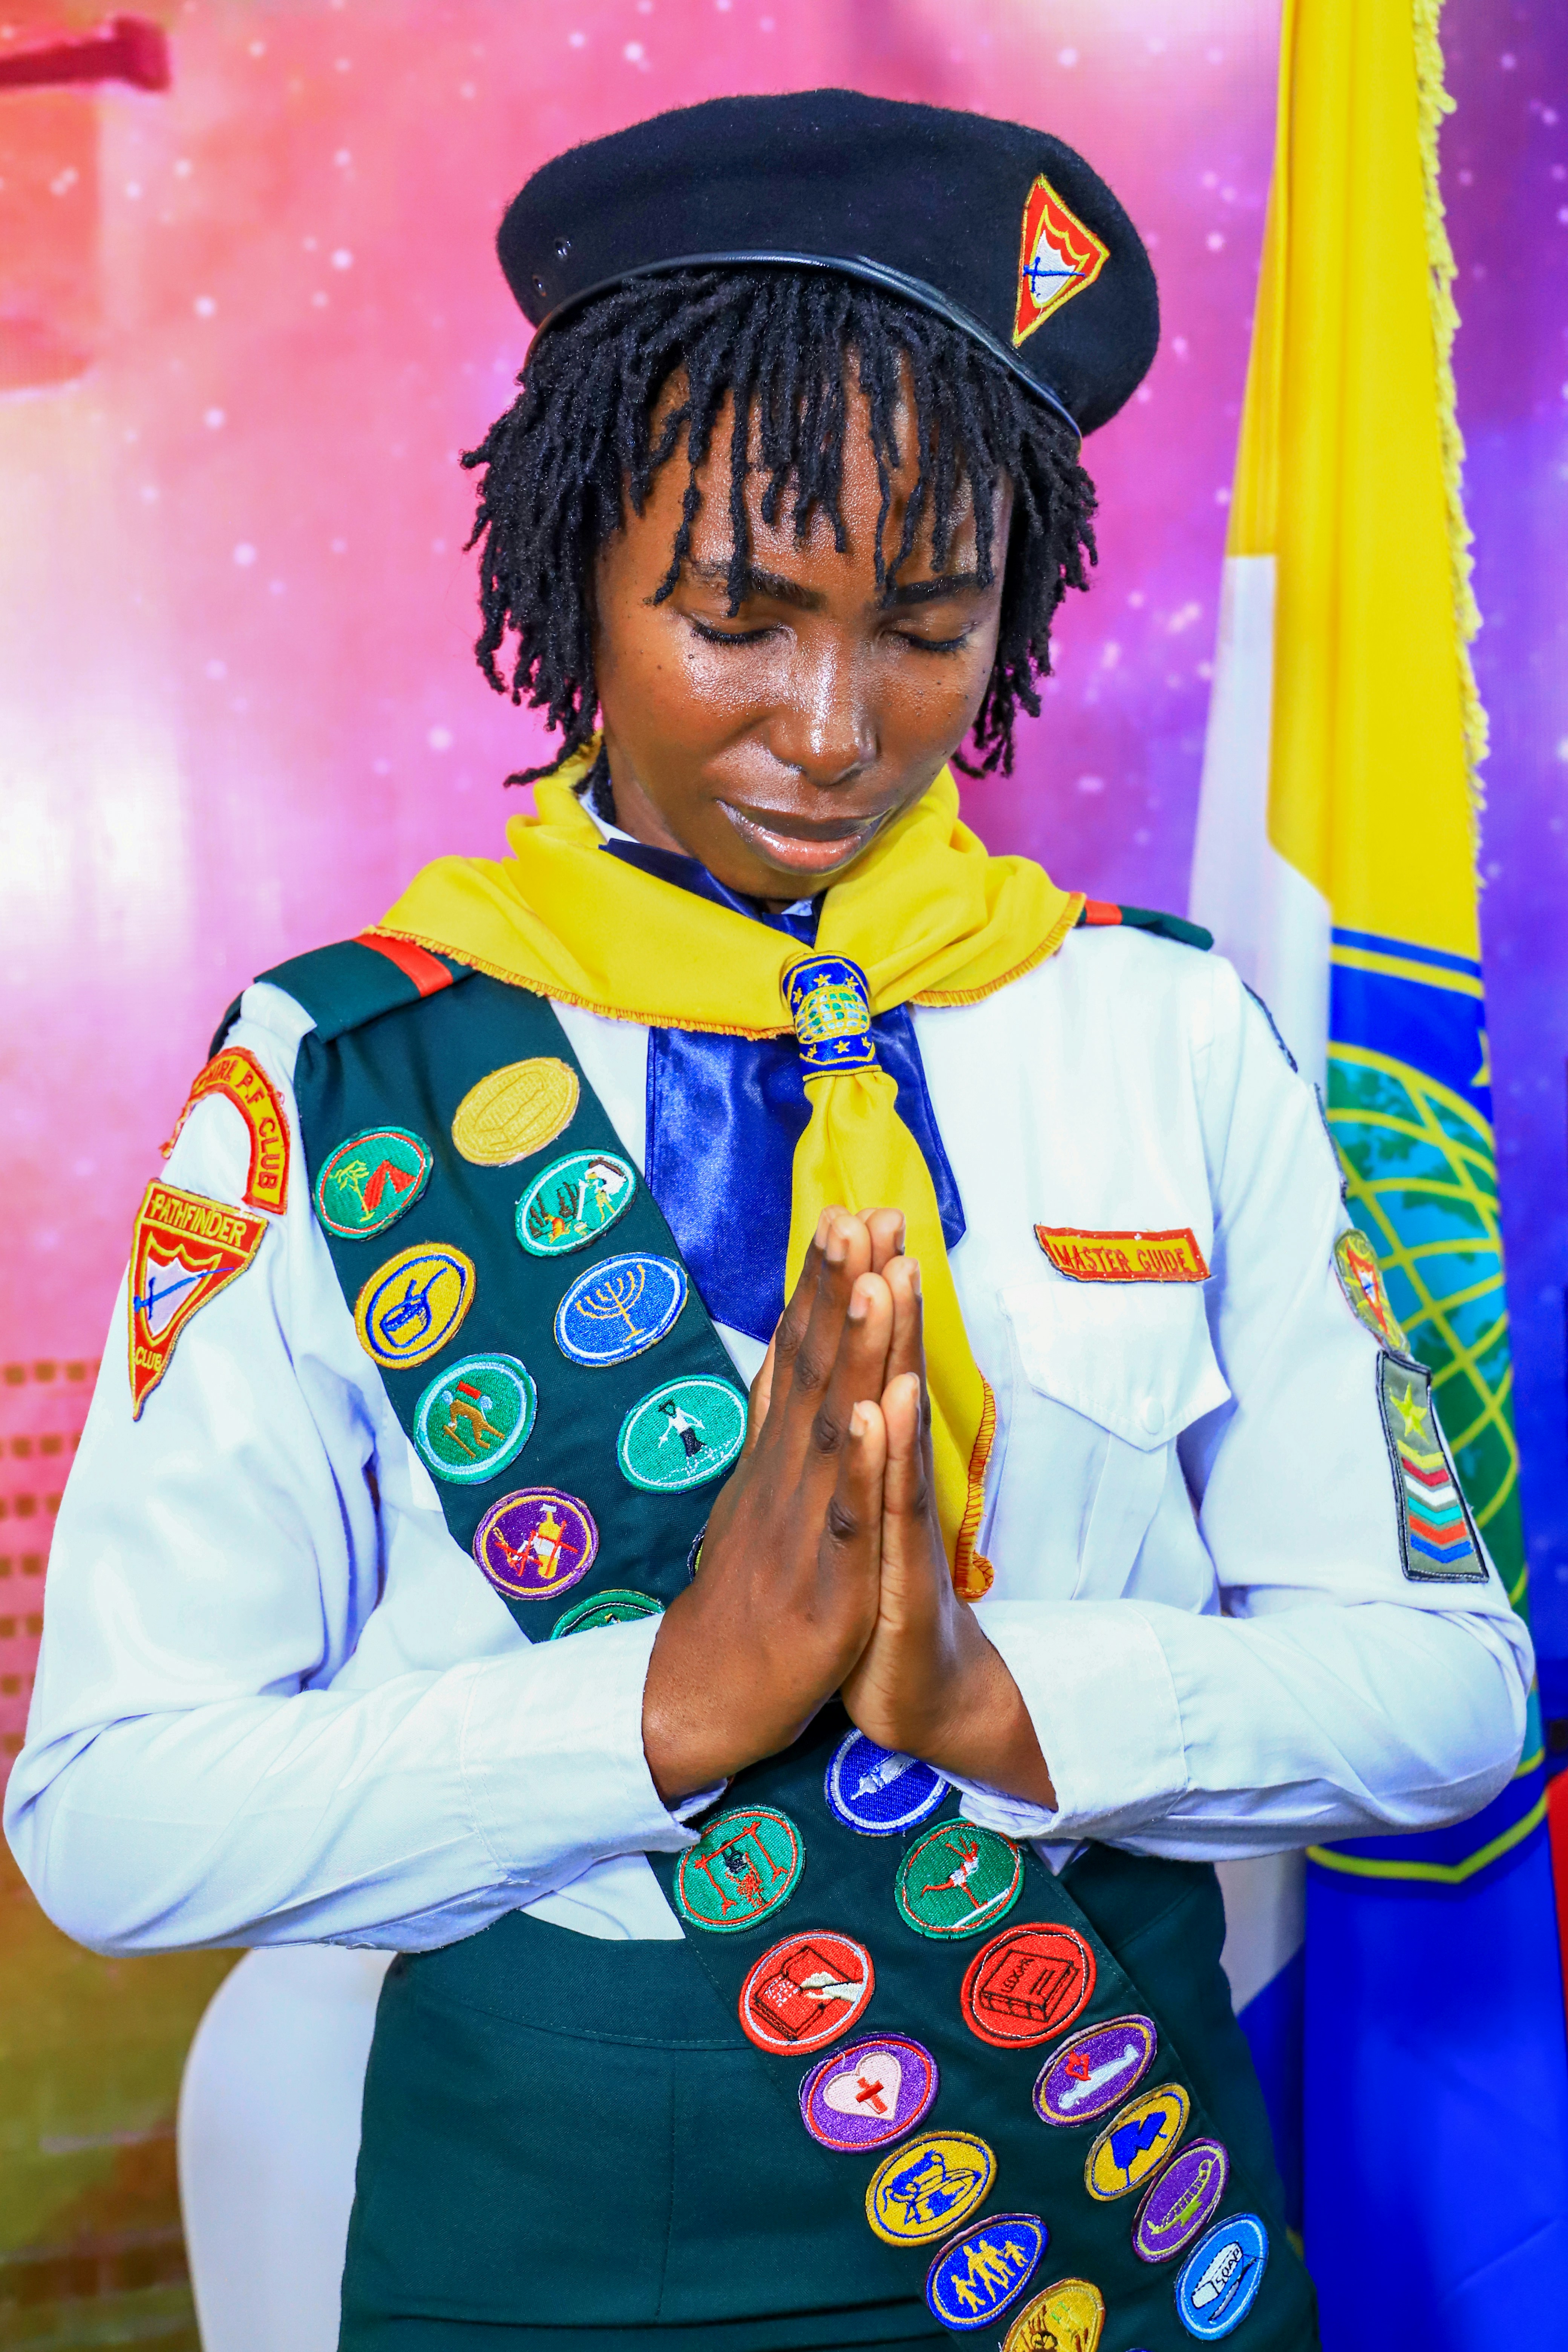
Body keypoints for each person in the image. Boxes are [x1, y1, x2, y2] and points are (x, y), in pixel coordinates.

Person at [5, 89, 1530, 2352]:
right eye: (739, 614)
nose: (833, 726)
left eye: (929, 625)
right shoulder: (343, 1074)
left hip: (1111, 2197)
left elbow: (1450, 1697)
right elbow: (111, 1818)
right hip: (553, 2235)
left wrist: (1006, 1701)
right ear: (572, 572)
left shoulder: (1165, 1034)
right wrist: (668, 1705)